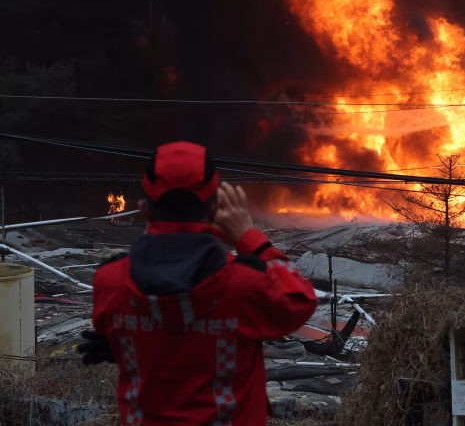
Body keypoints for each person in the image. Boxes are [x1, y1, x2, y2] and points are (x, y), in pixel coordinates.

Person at [78, 141, 317, 425]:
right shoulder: (246, 286)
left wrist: (118, 346)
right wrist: (249, 237)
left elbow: (159, 341)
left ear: (144, 209)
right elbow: (300, 299)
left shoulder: (110, 282)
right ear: (216, 209)